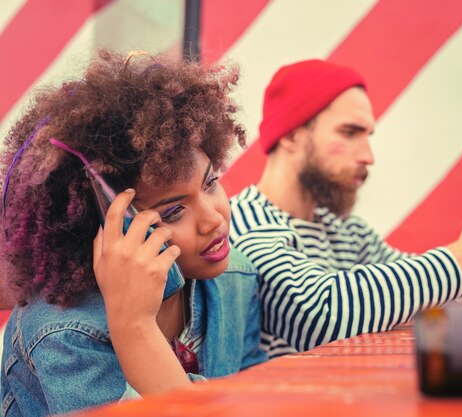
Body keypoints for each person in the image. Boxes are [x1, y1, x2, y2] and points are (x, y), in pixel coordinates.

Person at [0, 50, 266, 417]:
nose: (212, 221)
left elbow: (261, 401)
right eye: (173, 211)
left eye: (211, 183)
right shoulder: (64, 333)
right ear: (114, 228)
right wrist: (135, 326)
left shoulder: (237, 277)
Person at [229, 59, 462, 358]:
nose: (368, 156)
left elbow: (422, 298)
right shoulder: (244, 222)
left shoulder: (348, 232)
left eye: (367, 136)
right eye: (349, 133)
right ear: (292, 135)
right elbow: (319, 316)